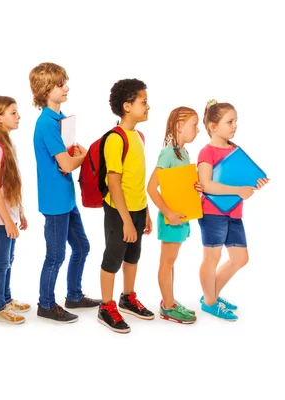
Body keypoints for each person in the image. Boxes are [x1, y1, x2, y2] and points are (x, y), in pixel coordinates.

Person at [29, 62, 100, 324]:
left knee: (82, 246)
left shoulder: (60, 118)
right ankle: (46, 304)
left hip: (66, 197)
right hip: (55, 200)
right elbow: (67, 164)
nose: (66, 87)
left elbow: (66, 158)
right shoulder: (46, 123)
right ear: (47, 89)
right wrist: (85, 156)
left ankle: (74, 295)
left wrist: (75, 155)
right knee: (56, 255)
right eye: (61, 84)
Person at [197, 99, 269, 320]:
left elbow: (239, 178)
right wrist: (239, 190)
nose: (235, 125)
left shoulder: (235, 150)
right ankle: (210, 302)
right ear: (213, 126)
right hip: (212, 212)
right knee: (213, 257)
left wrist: (253, 183)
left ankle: (211, 295)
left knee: (240, 258)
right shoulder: (206, 152)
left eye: (236, 121)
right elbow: (206, 185)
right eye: (230, 121)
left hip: (234, 212)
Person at [97, 78, 154, 334]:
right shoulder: (116, 139)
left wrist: (146, 212)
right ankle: (106, 306)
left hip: (138, 209)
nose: (148, 106)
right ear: (127, 106)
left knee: (133, 257)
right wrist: (127, 220)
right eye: (143, 102)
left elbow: (138, 180)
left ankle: (127, 297)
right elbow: (114, 184)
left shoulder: (138, 135)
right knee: (113, 258)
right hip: (119, 212)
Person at [146, 106, 201, 324]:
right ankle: (167, 307)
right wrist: (168, 213)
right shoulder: (168, 153)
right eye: (193, 125)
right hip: (171, 219)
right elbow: (151, 188)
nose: (197, 130)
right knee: (167, 262)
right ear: (179, 126)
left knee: (172, 261)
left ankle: (169, 300)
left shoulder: (184, 153)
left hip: (181, 218)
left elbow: (177, 186)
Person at [0, 96, 30, 324]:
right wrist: (8, 221)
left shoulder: (8, 144)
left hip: (9, 215)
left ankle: (7, 298)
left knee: (9, 260)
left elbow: (11, 185)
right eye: (13, 112)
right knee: (1, 262)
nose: (18, 116)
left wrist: (19, 212)